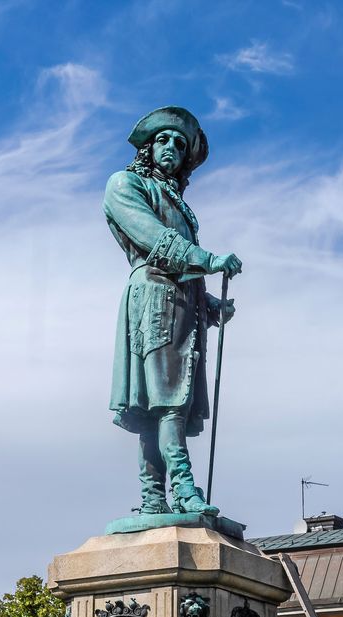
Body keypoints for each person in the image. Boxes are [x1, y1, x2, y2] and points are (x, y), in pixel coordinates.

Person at [103, 107, 242, 516]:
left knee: (162, 405)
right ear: (148, 147)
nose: (172, 148)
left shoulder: (177, 202)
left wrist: (213, 305)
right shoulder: (124, 184)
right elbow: (155, 239)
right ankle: (182, 489)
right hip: (154, 299)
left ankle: (153, 500)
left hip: (183, 305)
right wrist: (209, 259)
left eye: (180, 145)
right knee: (166, 402)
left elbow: (184, 269)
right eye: (163, 140)